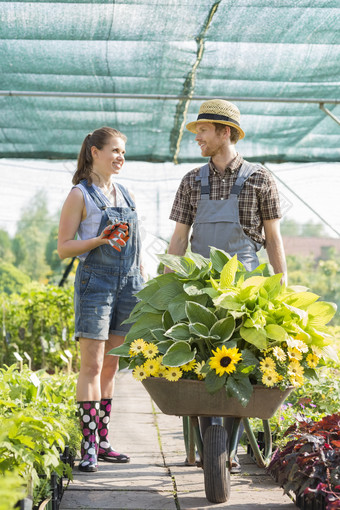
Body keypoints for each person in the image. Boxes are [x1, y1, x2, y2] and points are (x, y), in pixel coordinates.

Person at [165, 99, 287, 472]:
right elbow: (179, 239)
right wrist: (166, 290)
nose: (197, 138)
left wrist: (282, 287)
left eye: (203, 130)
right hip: (199, 288)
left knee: (240, 366)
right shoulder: (191, 181)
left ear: (225, 132)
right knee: (203, 366)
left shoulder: (260, 178)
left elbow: (274, 238)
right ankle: (213, 451)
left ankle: (225, 450)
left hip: (245, 292)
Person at [58, 127, 145, 473]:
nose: (120, 157)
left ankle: (104, 441)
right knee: (92, 366)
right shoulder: (80, 195)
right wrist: (98, 240)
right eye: (115, 150)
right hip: (95, 285)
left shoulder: (126, 193)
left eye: (123, 152)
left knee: (112, 366)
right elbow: (64, 248)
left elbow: (135, 246)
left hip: (128, 285)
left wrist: (142, 278)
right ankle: (88, 446)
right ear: (95, 152)